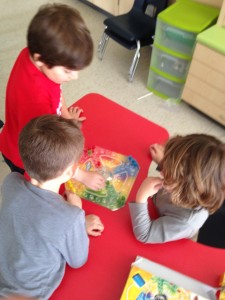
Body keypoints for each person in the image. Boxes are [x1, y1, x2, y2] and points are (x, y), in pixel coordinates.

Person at [0, 3, 104, 190]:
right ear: (40, 60)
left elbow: (56, 89)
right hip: (26, 160)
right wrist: (81, 175)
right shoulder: (36, 101)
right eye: (67, 70)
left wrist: (65, 115)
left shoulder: (32, 55)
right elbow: (52, 155)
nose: (74, 76)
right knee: (29, 194)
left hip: (14, 138)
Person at [0, 114, 104, 299]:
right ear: (70, 172)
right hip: (31, 292)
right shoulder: (70, 217)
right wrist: (79, 218)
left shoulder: (10, 182)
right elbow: (78, 261)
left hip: (4, 273)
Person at [129, 134, 225, 244]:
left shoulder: (186, 222)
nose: (161, 173)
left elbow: (144, 235)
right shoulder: (187, 185)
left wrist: (141, 197)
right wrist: (164, 163)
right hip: (154, 207)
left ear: (186, 189)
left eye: (170, 175)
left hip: (160, 234)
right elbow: (184, 174)